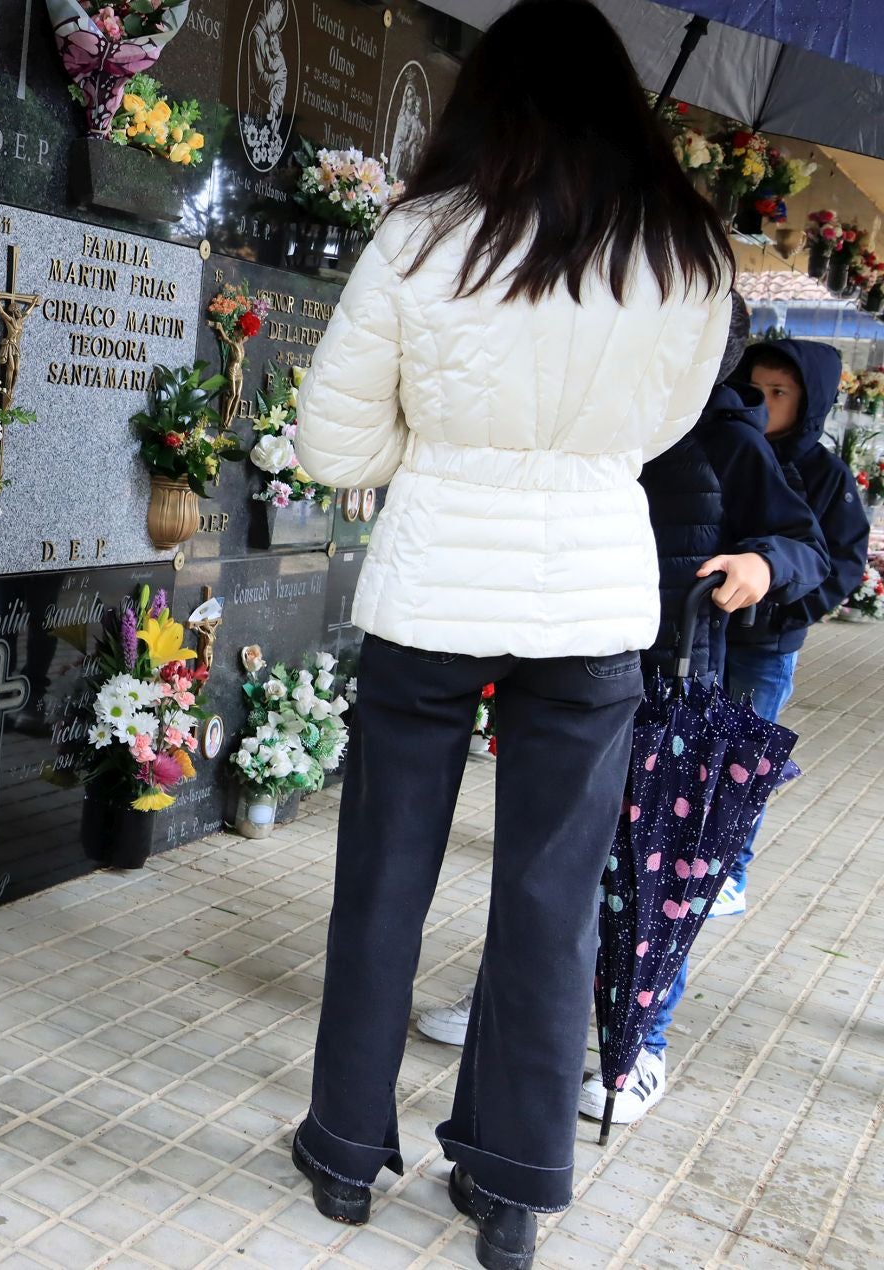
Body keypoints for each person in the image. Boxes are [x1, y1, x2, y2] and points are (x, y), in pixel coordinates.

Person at [284, 3, 734, 1267]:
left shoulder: (423, 235)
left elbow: (333, 442)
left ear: (481, 96)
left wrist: (440, 455)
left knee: (383, 876)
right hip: (592, 598)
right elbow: (660, 429)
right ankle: (513, 1184)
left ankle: (344, 1152)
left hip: (434, 588)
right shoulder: (686, 251)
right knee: (552, 896)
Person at [420, 295, 831, 1128]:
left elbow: (808, 547)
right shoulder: (595, 416)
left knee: (656, 879)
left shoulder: (728, 438)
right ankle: (503, 996)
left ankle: (639, 1047)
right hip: (563, 675)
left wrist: (762, 564)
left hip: (669, 692)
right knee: (542, 854)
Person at [712, 339, 872, 912]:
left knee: (745, 758)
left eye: (780, 392)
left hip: (765, 647)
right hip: (707, 631)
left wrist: (786, 613)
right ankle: (679, 856)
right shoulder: (727, 446)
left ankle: (731, 872)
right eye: (756, 388)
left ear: (810, 403)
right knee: (692, 746)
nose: (764, 401)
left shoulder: (825, 472)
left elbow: (843, 561)